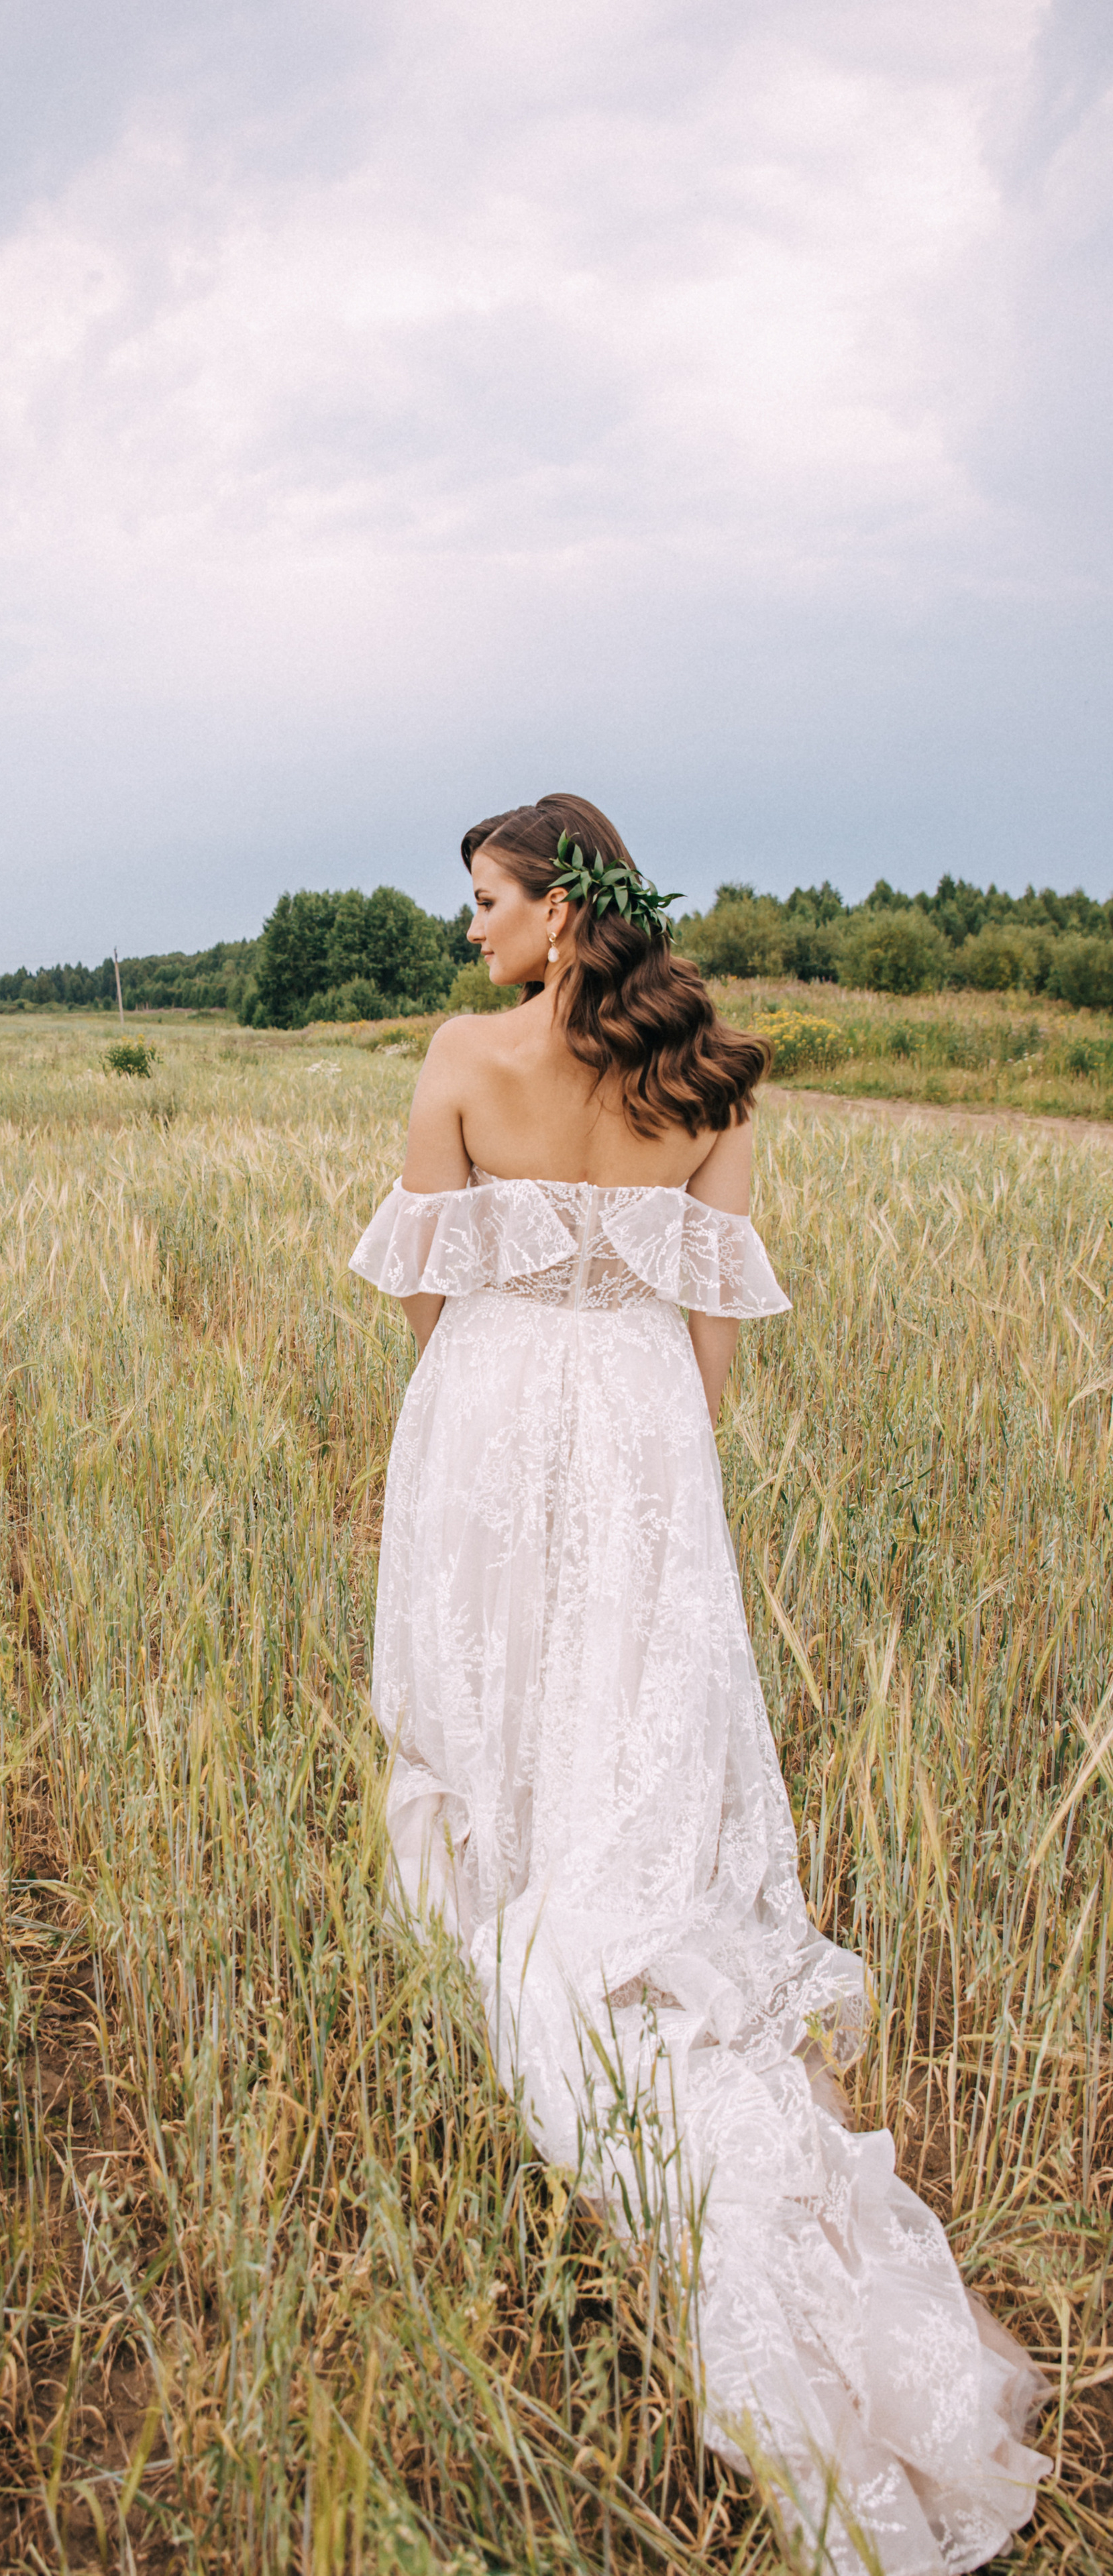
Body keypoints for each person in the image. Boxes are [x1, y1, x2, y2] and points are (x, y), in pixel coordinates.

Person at [349, 794, 1047, 2575]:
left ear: (559, 909)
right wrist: (663, 1472)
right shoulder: (716, 1074)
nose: (471, 933)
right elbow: (716, 1326)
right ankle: (606, 1916)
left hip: (499, 1402)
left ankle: (519, 1907)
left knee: (496, 1682)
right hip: (651, 1423)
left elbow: (431, 1293)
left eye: (488, 902)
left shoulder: (458, 1057)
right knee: (629, 1693)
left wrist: (492, 1425)